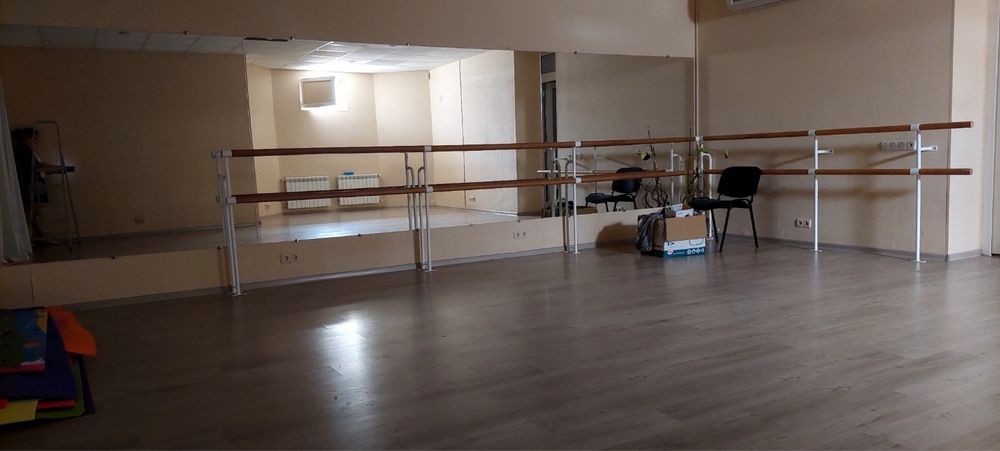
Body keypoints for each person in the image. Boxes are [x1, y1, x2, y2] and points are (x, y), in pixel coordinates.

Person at [11, 127, 60, 238]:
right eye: (35, 138)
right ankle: (34, 236)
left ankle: (36, 234)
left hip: (26, 185)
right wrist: (57, 168)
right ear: (27, 138)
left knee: (32, 211)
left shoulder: (22, 151)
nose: (36, 142)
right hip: (29, 185)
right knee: (31, 211)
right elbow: (37, 167)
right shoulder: (25, 152)